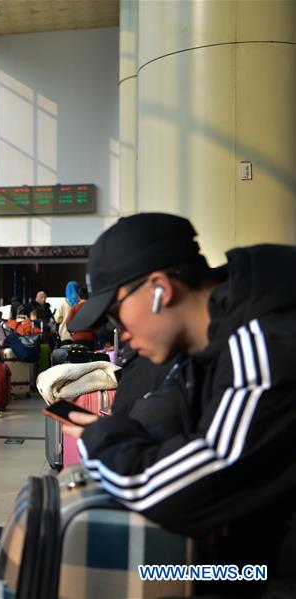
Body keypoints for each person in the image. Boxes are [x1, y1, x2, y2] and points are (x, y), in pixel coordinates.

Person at [65, 213, 296, 595]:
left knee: (139, 577)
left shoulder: (265, 343)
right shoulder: (205, 349)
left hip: (268, 573)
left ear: (160, 289)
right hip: (254, 557)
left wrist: (99, 437)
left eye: (114, 312)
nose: (118, 331)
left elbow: (167, 491)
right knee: (131, 573)